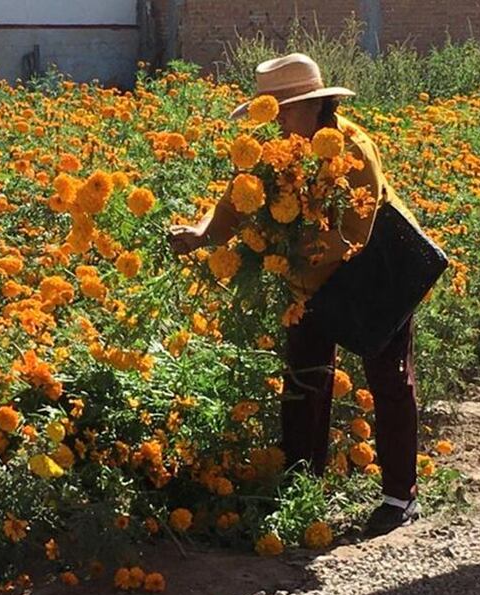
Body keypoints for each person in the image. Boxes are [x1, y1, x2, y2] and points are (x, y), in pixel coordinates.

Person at [168, 53, 422, 537]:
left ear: (314, 106)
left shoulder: (353, 148)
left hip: (377, 267)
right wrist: (203, 233)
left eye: (283, 110)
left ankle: (399, 497)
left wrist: (280, 250)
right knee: (305, 377)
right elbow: (236, 200)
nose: (278, 121)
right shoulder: (276, 150)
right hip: (310, 277)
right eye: (273, 112)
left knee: (389, 377)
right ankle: (301, 488)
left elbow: (356, 232)